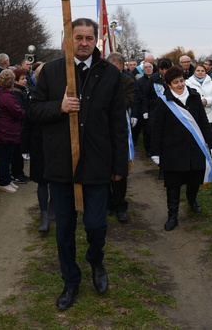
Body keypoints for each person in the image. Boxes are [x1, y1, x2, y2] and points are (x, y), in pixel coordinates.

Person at [29, 18, 127, 310]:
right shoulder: (52, 71)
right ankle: (70, 280)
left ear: (96, 40)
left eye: (88, 37)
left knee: (96, 225)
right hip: (61, 162)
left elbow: (117, 122)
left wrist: (120, 164)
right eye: (78, 37)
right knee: (65, 228)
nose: (83, 42)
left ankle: (96, 261)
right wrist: (58, 107)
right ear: (68, 40)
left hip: (97, 161)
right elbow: (33, 109)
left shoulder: (109, 74)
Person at [151, 66, 212, 230]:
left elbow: (203, 122)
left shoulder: (194, 97)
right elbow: (157, 128)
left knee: (194, 179)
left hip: (194, 148)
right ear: (169, 85)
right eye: (175, 83)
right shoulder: (163, 101)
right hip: (172, 151)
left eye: (181, 80)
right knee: (173, 185)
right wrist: (155, 152)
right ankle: (172, 216)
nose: (180, 85)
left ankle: (192, 200)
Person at [22, 63, 50, 232]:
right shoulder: (33, 96)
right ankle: (44, 213)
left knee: (57, 180)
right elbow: (27, 123)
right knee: (42, 180)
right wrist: (24, 147)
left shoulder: (60, 94)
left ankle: (53, 208)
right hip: (38, 143)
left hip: (56, 143)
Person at [107, 52, 135, 223]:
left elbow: (126, 102)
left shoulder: (128, 82)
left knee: (120, 169)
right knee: (103, 168)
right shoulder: (98, 79)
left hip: (119, 128)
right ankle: (107, 203)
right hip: (101, 129)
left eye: (117, 70)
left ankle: (120, 205)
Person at [0, 69, 26, 193]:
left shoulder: (2, 94)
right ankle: (3, 181)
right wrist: (23, 112)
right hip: (7, 129)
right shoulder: (7, 97)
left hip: (5, 128)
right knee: (5, 158)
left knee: (7, 156)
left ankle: (7, 179)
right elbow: (17, 112)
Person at [186, 63, 212, 131]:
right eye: (198, 70)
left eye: (202, 71)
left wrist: (206, 101)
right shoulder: (188, 83)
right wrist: (199, 102)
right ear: (194, 71)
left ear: (205, 72)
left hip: (209, 116)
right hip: (194, 115)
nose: (200, 72)